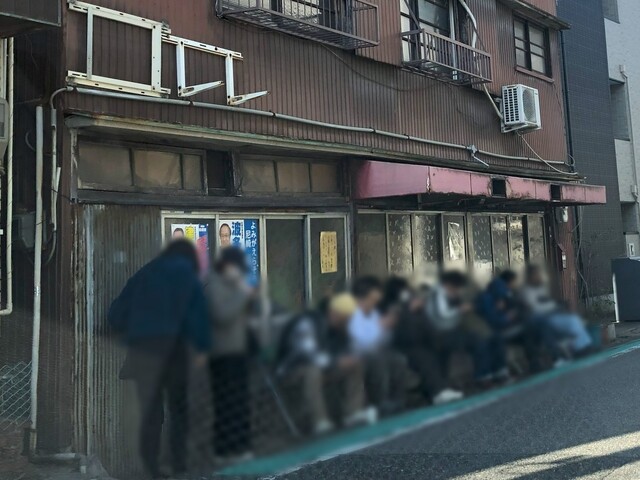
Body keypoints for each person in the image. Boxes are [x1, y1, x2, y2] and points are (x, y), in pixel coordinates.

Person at [108, 239, 210, 479]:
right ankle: (179, 467)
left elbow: (115, 316)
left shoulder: (144, 275)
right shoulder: (188, 277)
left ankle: (151, 470)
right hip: (175, 355)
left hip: (144, 355)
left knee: (151, 414)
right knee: (179, 411)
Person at [276, 293, 377, 435]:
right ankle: (320, 422)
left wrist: (348, 359)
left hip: (324, 368)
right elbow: (308, 354)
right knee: (313, 370)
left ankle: (353, 413)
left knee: (355, 364)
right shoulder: (308, 323)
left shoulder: (339, 329)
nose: (349, 323)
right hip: (291, 371)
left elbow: (348, 351)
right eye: (347, 319)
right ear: (336, 314)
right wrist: (336, 362)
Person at [204, 247, 256, 461]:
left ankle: (242, 446)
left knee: (241, 401)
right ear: (226, 266)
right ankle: (223, 450)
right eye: (236, 268)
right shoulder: (213, 285)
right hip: (221, 354)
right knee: (225, 403)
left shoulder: (235, 285)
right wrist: (242, 293)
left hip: (238, 351)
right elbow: (222, 315)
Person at [349, 276, 407, 415]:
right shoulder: (352, 313)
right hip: (357, 353)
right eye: (372, 299)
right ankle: (379, 402)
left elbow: (382, 341)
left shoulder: (373, 313)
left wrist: (387, 326)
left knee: (398, 359)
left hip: (375, 351)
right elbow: (360, 341)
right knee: (378, 360)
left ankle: (397, 400)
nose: (375, 302)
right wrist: (381, 326)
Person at [520, 265, 592, 361]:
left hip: (551, 315)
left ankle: (584, 346)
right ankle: (580, 348)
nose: (538, 276)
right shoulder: (527, 291)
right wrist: (553, 305)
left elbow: (548, 302)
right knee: (572, 322)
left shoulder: (540, 288)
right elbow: (535, 308)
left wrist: (556, 305)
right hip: (542, 319)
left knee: (574, 319)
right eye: (536, 274)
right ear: (530, 276)